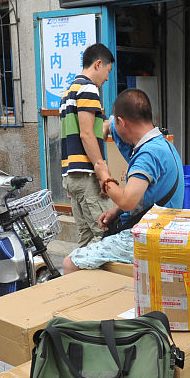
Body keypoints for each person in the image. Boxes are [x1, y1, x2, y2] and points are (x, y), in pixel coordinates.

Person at [63, 88, 184, 273]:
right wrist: (115, 211)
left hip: (146, 236)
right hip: (163, 227)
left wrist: (103, 174)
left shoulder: (147, 155)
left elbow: (128, 201)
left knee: (70, 263)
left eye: (115, 123)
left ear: (122, 121)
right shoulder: (162, 144)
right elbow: (144, 196)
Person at [60, 43, 116, 247]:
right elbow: (86, 134)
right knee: (106, 232)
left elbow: (86, 132)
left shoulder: (69, 91)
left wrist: (109, 125)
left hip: (72, 175)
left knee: (85, 238)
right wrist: (102, 171)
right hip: (86, 174)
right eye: (108, 71)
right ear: (98, 64)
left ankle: (80, 278)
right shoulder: (88, 88)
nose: (107, 78)